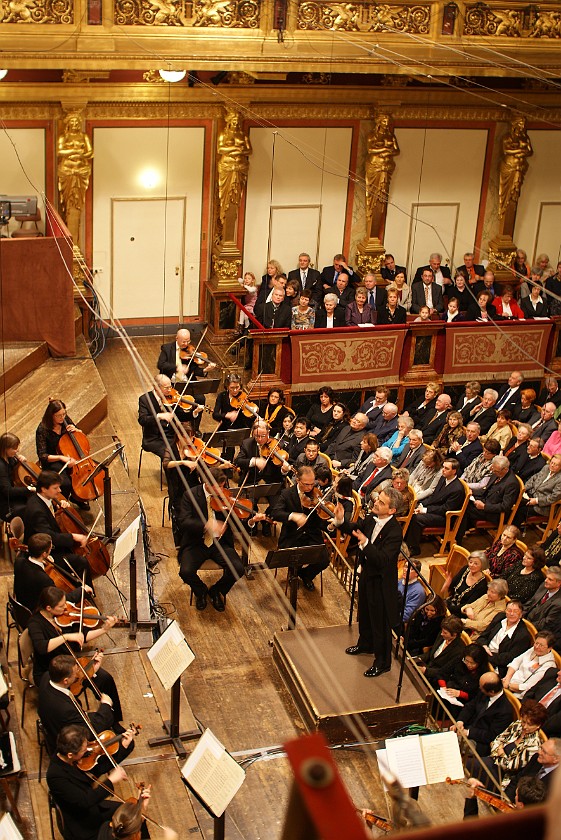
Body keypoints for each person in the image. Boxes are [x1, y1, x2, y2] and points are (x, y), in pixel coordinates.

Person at [338, 487, 404, 677]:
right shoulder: (371, 518)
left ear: (392, 511)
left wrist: (366, 543)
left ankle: (383, 662)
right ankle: (365, 644)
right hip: (367, 575)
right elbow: (355, 528)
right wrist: (341, 521)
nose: (376, 503)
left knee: (380, 622)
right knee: (365, 612)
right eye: (378, 499)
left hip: (381, 583)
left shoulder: (395, 532)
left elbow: (382, 560)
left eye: (382, 503)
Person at [28, 585, 120, 708]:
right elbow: (41, 647)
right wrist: (66, 637)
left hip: (71, 663)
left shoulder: (62, 616)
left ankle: (113, 716)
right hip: (52, 672)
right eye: (61, 606)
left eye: (65, 603)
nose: (65, 607)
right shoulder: (35, 623)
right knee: (76, 695)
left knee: (105, 678)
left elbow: (83, 636)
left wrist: (104, 629)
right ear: (49, 608)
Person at [47, 724, 134, 840]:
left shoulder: (69, 754)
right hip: (83, 823)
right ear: (70, 755)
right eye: (84, 750)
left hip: (93, 807)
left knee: (133, 813)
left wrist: (123, 746)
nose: (88, 750)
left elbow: (98, 767)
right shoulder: (56, 776)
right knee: (129, 820)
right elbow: (85, 801)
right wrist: (111, 780)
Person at [177, 467, 245, 611]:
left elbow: (236, 520)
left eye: (223, 486)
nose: (221, 490)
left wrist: (246, 517)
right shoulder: (190, 495)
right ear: (207, 483)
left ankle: (216, 591)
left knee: (238, 569)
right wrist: (207, 525)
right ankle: (200, 591)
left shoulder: (224, 497)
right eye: (218, 487)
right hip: (196, 543)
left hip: (220, 543)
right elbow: (183, 522)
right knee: (185, 572)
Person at [463, 700, 548, 816]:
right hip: (493, 761)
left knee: (472, 766)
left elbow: (510, 766)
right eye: (524, 721)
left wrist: (500, 751)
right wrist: (499, 752)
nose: (525, 726)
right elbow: (496, 741)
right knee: (471, 765)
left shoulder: (534, 745)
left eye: (530, 724)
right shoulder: (517, 725)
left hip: (503, 775)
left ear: (538, 726)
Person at [39, 655, 125, 756]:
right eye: (75, 673)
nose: (78, 674)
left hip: (57, 720)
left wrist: (89, 672)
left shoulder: (47, 677)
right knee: (125, 744)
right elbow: (90, 731)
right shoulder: (66, 710)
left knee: (104, 678)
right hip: (66, 739)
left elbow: (73, 685)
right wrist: (106, 705)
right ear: (66, 680)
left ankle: (114, 720)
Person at [268, 466, 331, 591]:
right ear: (297, 480)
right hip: (292, 535)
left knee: (324, 560)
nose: (309, 488)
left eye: (312, 484)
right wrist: (292, 516)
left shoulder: (316, 495)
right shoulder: (287, 494)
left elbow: (320, 522)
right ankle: (294, 573)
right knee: (295, 558)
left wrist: (332, 523)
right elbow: (275, 513)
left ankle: (306, 575)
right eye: (306, 484)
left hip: (312, 535)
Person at [23, 470, 91, 585]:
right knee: (82, 562)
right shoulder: (36, 510)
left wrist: (61, 506)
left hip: (50, 543)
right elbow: (49, 537)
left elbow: (50, 516)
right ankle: (87, 594)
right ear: (44, 489)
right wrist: (73, 536)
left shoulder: (42, 499)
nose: (59, 491)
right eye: (55, 488)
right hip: (45, 552)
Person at [405, 458, 464, 557]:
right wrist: (422, 504)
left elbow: (446, 509)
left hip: (446, 517)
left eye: (446, 468)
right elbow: (434, 497)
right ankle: (405, 541)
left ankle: (414, 548)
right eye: (443, 467)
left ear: (454, 471)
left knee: (417, 518)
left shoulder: (457, 489)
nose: (443, 470)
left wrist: (425, 510)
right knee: (411, 509)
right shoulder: (443, 478)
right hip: (436, 509)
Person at [14, 533, 86, 612]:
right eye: (50, 549)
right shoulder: (44, 579)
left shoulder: (19, 561)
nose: (51, 550)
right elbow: (59, 600)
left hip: (20, 602)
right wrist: (81, 590)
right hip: (34, 610)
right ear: (44, 554)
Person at [36, 398, 87, 507]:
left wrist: (76, 430)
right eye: (58, 416)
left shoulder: (65, 419)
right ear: (51, 415)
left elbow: (79, 432)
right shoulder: (42, 429)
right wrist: (61, 458)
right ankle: (61, 503)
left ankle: (76, 497)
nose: (62, 417)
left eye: (64, 414)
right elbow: (42, 456)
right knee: (66, 483)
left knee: (87, 473)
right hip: (53, 460)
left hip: (70, 453)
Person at [458, 455, 520, 541]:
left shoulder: (511, 484)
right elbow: (485, 490)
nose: (493, 472)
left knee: (465, 509)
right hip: (485, 501)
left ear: (505, 469)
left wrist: (484, 507)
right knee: (462, 500)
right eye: (493, 469)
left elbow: (505, 506)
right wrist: (471, 492)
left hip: (494, 513)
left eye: (496, 471)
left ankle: (457, 538)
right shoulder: (496, 473)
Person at [453, 672, 514, 755]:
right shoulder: (483, 693)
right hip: (467, 728)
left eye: (481, 688)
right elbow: (470, 707)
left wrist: (468, 732)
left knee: (448, 743)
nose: (479, 688)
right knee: (442, 734)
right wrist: (460, 721)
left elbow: (491, 735)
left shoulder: (505, 711)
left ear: (492, 691)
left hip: (479, 742)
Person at [138, 374, 191, 461]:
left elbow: (181, 416)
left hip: (170, 436)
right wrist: (159, 416)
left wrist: (194, 413)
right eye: (166, 388)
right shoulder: (144, 399)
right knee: (170, 456)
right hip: (153, 439)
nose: (170, 390)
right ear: (156, 387)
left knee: (186, 452)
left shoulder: (172, 398)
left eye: (170, 386)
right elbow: (142, 420)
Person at [477, 600, 532, 678]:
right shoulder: (500, 617)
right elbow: (483, 636)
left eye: (515, 611)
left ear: (521, 614)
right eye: (509, 610)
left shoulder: (523, 635)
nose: (511, 614)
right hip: (483, 652)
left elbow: (508, 659)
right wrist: (484, 646)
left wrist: (484, 655)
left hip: (497, 665)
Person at [503, 631, 556, 698]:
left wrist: (508, 685)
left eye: (541, 645)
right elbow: (516, 662)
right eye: (536, 643)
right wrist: (507, 679)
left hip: (517, 694)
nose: (537, 647)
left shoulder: (548, 666)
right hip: (507, 681)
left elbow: (528, 687)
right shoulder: (534, 650)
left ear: (550, 648)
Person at [434, 642, 489, 706]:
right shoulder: (460, 660)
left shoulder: (483, 674)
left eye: (472, 663)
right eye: (467, 661)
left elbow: (476, 696)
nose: (468, 665)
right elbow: (442, 672)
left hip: (463, 701)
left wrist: (460, 694)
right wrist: (444, 687)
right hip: (448, 690)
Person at [416, 615, 465, 684]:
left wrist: (426, 671)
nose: (442, 634)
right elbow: (431, 653)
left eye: (445, 633)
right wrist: (418, 658)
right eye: (442, 631)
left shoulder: (459, 650)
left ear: (454, 635)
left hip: (436, 678)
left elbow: (445, 671)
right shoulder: (442, 635)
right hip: (426, 666)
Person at [444, 551, 490, 617]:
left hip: (461, 611)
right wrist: (448, 583)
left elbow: (469, 604)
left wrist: (448, 608)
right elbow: (452, 585)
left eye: (476, 564)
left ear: (482, 566)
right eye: (470, 562)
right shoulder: (465, 569)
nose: (471, 565)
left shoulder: (482, 585)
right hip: (450, 602)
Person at [0, 431, 33, 521]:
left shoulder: (11, 458)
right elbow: (8, 491)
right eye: (14, 448)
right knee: (31, 510)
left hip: (15, 496)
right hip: (6, 503)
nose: (17, 450)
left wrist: (23, 462)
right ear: (6, 449)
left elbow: (17, 473)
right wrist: (28, 489)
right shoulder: (1, 466)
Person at [524, 566, 561, 646]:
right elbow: (530, 603)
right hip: (525, 622)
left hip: (536, 632)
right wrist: (519, 615)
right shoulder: (543, 587)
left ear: (559, 583)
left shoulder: (559, 603)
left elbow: (545, 624)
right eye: (546, 578)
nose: (546, 581)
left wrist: (525, 625)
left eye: (550, 579)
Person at [397, 559, 426, 624]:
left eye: (411, 569)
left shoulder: (418, 592)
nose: (406, 570)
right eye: (406, 566)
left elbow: (406, 616)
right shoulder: (400, 582)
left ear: (416, 573)